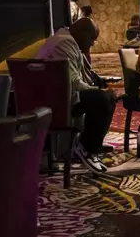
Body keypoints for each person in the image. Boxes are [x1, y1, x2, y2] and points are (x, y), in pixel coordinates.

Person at [36, 18, 116, 174]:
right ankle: (86, 148)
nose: (93, 44)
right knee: (102, 99)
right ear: (82, 33)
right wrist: (99, 92)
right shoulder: (64, 44)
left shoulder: (65, 40)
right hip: (56, 102)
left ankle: (92, 145)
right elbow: (73, 83)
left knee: (107, 97)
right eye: (92, 38)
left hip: (57, 97)